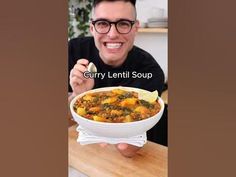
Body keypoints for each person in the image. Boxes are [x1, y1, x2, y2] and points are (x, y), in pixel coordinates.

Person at [68, 0, 166, 157]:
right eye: (102, 23)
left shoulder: (150, 71)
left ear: (135, 28)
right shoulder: (72, 51)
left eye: (123, 24)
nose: (112, 34)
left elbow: (128, 150)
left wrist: (112, 132)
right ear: (92, 28)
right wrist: (77, 95)